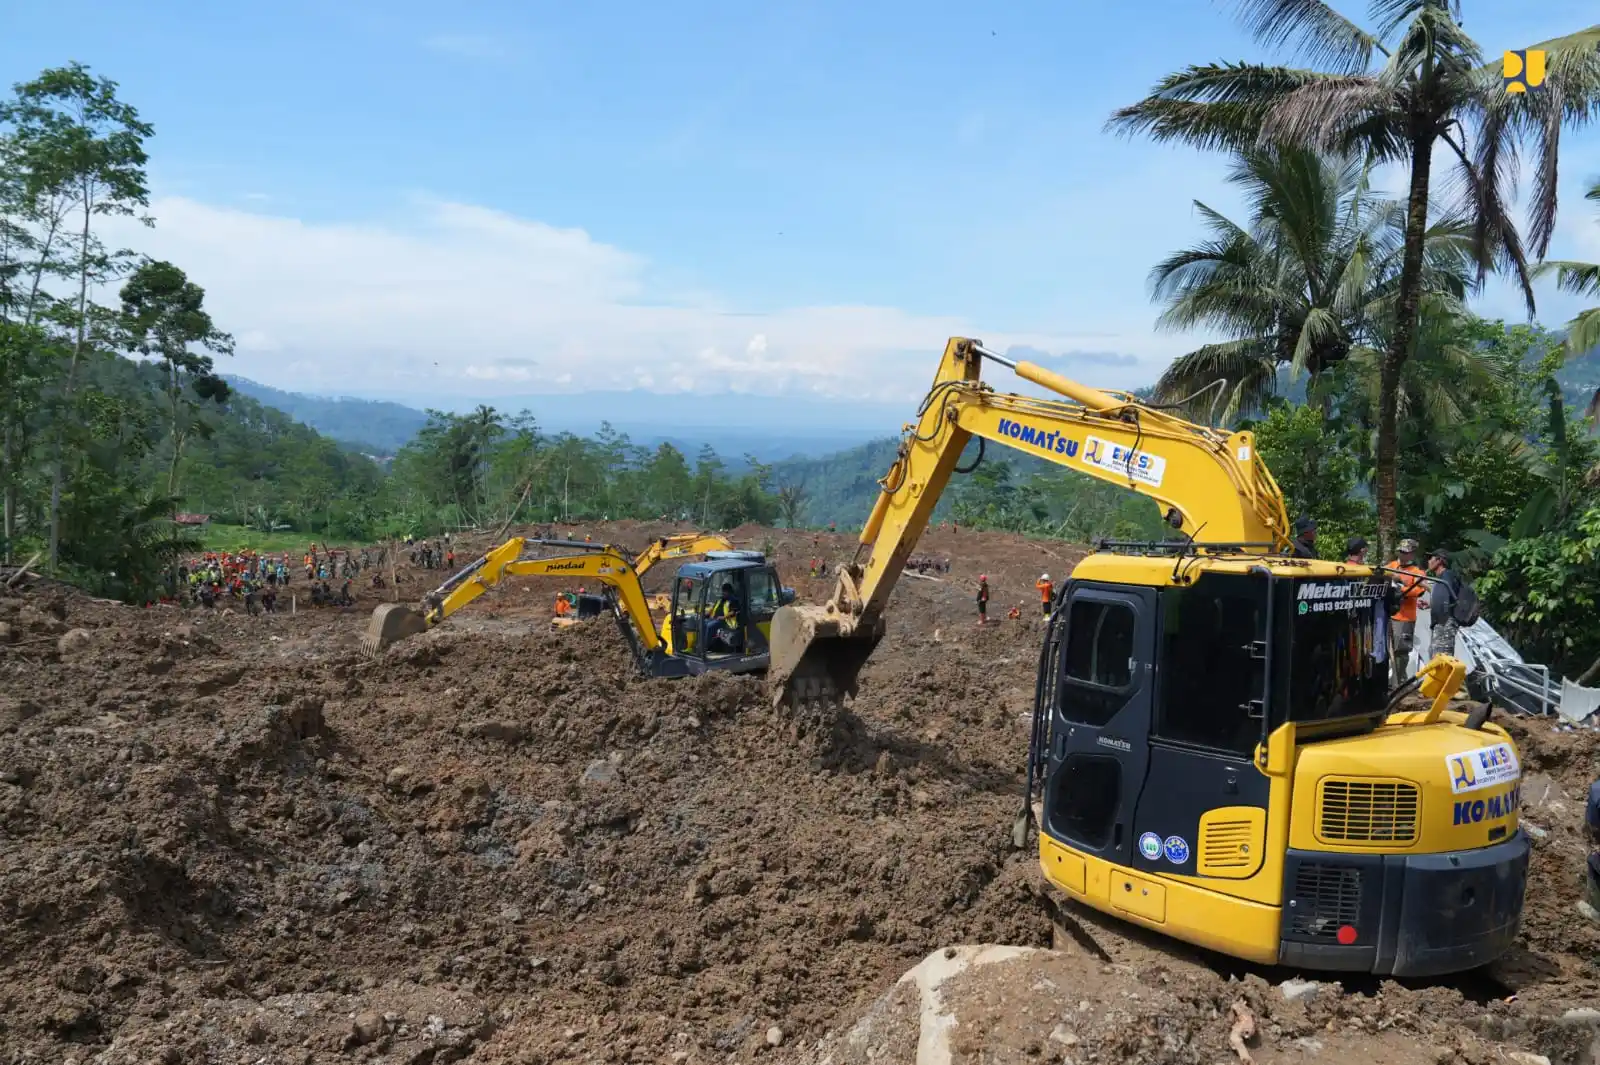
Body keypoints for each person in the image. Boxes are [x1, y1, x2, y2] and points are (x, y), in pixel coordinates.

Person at [1385, 538, 1426, 687]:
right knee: (1385, 650)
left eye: (1406, 553)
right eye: (1401, 552)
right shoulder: (1392, 566)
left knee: (1401, 651)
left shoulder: (1417, 572)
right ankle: (1390, 681)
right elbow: (1381, 575)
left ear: (1412, 554)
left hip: (1405, 618)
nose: (1402, 555)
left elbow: (1418, 591)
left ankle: (1400, 682)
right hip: (1388, 614)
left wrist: (1400, 584)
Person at [1423, 549, 1459, 659]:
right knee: (1435, 656)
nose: (1428, 561)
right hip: (1441, 624)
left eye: (1431, 558)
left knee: (1442, 659)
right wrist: (1430, 604)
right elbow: (1446, 599)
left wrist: (1424, 585)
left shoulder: (1447, 575)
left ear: (1439, 561)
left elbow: (1445, 596)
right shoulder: (1443, 577)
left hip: (1445, 624)